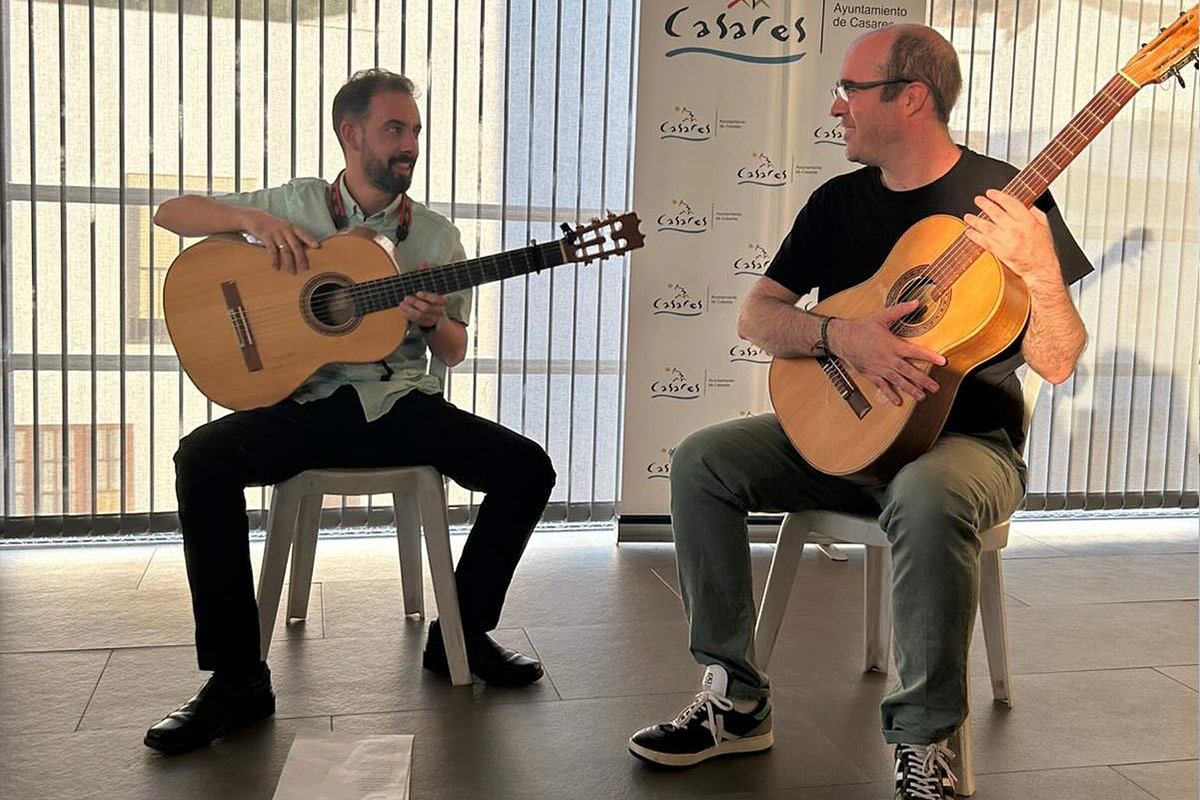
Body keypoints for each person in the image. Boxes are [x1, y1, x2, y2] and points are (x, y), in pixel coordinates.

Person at [627, 25, 1092, 799]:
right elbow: (756, 317)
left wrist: (1042, 269)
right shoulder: (838, 202)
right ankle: (736, 700)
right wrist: (842, 336)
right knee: (703, 460)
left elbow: (1059, 361)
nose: (836, 107)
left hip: (966, 446)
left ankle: (925, 742)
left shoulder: (1009, 203)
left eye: (850, 89)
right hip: (846, 435)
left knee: (926, 492)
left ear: (911, 98)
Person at [145, 69, 556, 756]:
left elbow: (452, 352)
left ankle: (462, 632)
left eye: (416, 131)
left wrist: (430, 324)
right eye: (395, 129)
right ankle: (237, 677)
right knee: (201, 458)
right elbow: (170, 213)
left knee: (528, 468)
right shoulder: (297, 204)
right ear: (351, 132)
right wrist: (251, 220)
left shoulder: (434, 238)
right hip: (303, 405)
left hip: (400, 405)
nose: (410, 144)